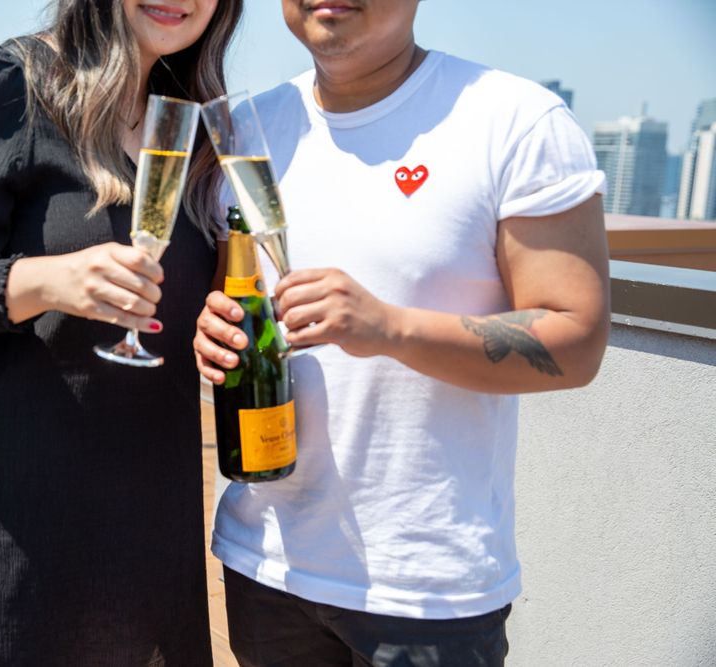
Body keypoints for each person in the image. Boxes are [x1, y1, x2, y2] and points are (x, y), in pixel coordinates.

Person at [194, 1, 610, 665]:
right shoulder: (247, 128)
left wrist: (390, 327)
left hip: (429, 589)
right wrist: (214, 329)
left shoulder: (515, 120)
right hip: (264, 562)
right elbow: (233, 299)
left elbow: (578, 337)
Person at [0, 1, 242, 663]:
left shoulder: (192, 132)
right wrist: (42, 281)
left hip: (149, 529)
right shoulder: (2, 85)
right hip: (15, 535)